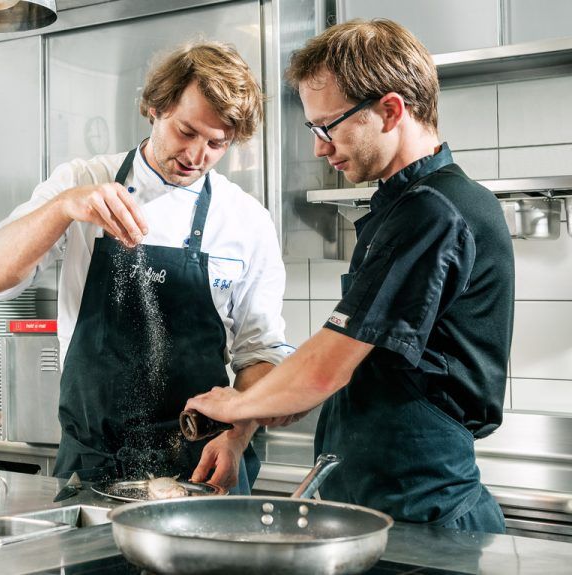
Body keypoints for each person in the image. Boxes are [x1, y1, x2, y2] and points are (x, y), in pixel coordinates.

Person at [187, 19, 514, 533]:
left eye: (329, 126)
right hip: (383, 502)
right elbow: (356, 358)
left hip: (424, 512)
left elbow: (327, 366)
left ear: (390, 110)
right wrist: (266, 409)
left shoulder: (434, 212)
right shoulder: (406, 208)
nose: (319, 147)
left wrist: (239, 404)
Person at [0, 41, 290, 494]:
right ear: (154, 108)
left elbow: (260, 353)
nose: (196, 156)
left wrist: (237, 437)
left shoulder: (246, 220)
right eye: (186, 131)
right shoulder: (82, 181)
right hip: (94, 464)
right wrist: (64, 208)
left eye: (217, 143)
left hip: (204, 467)